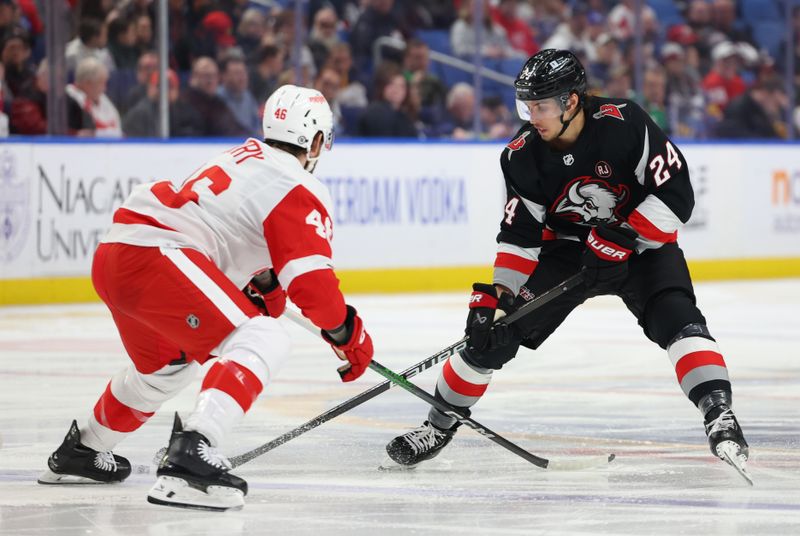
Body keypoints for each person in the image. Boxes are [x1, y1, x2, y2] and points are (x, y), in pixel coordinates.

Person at [384, 49, 750, 478]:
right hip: (567, 252)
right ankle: (437, 426)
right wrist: (500, 298)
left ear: (571, 101)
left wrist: (625, 236)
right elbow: (519, 236)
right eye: (526, 105)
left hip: (641, 246)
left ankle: (719, 413)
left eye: (539, 105)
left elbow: (677, 194)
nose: (530, 115)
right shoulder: (522, 154)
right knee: (492, 338)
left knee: (680, 321)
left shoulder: (626, 124)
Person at [39, 85, 375, 512]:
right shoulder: (296, 184)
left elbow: (240, 248)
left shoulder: (245, 158)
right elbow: (314, 289)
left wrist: (267, 287)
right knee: (265, 339)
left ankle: (82, 451)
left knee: (166, 367)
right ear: (314, 142)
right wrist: (348, 331)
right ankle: (192, 457)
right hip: (158, 255)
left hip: (119, 253)